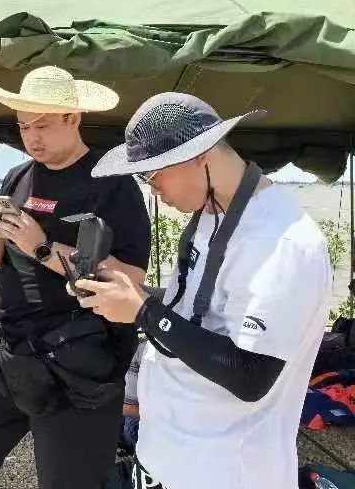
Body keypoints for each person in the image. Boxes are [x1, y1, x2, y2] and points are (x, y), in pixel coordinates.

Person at [73, 92, 333, 489]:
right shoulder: (211, 214)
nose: (153, 189)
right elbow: (200, 314)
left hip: (225, 470)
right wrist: (131, 293)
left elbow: (251, 375)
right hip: (167, 454)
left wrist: (144, 312)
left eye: (153, 174)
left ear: (199, 155)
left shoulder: (283, 241)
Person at [0, 66, 151, 489]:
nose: (30, 137)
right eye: (22, 126)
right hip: (4, 347)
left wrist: (43, 248)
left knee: (68, 480)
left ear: (73, 118)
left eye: (42, 125)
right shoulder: (17, 177)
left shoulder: (112, 184)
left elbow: (131, 278)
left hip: (76, 361)